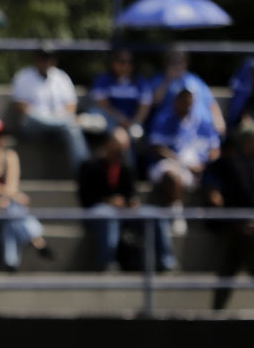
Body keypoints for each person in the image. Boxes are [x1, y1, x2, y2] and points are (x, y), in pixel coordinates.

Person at [78, 127, 176, 273]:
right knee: (107, 215)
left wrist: (131, 201)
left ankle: (166, 263)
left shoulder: (126, 167)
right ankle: (107, 264)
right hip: (99, 211)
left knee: (155, 215)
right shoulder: (89, 165)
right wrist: (108, 201)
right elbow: (86, 198)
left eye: (124, 147)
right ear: (108, 144)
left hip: (125, 212)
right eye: (118, 147)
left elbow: (131, 192)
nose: (121, 151)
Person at [0, 116, 52, 272]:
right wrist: (12, 196)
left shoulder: (10, 156)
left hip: (6, 206)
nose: (0, 139)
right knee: (13, 208)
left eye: (1, 135)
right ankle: (36, 239)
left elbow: (12, 185)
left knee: (9, 217)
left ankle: (10, 263)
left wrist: (6, 198)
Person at [148, 87, 221, 236]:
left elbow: (215, 149)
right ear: (176, 101)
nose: (187, 104)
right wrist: (184, 164)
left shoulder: (202, 122)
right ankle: (177, 215)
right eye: (183, 101)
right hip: (172, 164)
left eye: (190, 101)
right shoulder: (163, 118)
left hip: (200, 169)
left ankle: (216, 222)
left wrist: (205, 165)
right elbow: (156, 148)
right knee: (171, 174)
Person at [9, 43, 91, 174]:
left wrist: (60, 119)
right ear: (36, 59)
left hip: (60, 127)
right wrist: (56, 120)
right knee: (39, 119)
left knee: (73, 130)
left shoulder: (62, 78)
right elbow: (21, 107)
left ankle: (84, 174)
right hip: (34, 126)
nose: (45, 61)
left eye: (48, 58)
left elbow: (71, 106)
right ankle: (64, 123)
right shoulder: (23, 77)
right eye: (42, 57)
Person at [204, 121, 254, 310]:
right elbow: (214, 194)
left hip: (246, 229)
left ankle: (216, 313)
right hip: (232, 227)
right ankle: (216, 315)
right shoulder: (224, 165)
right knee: (228, 269)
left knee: (228, 269)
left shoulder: (247, 165)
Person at [148, 46, 225, 136]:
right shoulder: (159, 80)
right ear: (166, 63)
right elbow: (154, 101)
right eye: (173, 61)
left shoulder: (194, 79)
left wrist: (219, 120)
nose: (177, 64)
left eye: (180, 60)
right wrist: (168, 79)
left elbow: (211, 102)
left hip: (203, 127)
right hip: (174, 129)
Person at [89, 47, 151, 138]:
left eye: (130, 62)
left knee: (135, 133)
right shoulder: (103, 80)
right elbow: (103, 104)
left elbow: (144, 107)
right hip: (109, 120)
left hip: (132, 122)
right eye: (122, 61)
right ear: (114, 63)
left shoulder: (140, 82)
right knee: (119, 137)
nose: (127, 65)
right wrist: (122, 120)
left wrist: (134, 122)